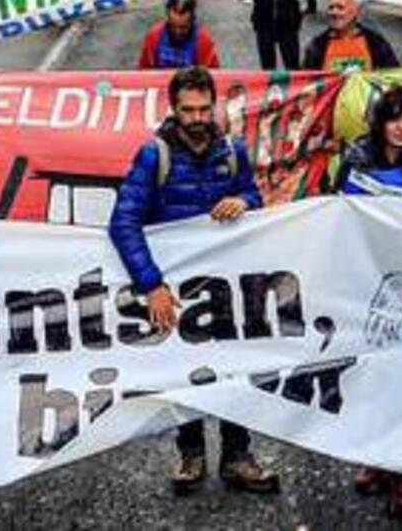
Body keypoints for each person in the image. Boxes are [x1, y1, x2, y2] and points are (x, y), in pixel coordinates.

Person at [105, 67, 278, 496]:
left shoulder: (233, 150)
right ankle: (191, 453)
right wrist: (152, 285)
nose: (198, 117)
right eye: (189, 110)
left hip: (229, 285)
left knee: (237, 371)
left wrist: (244, 200)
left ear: (214, 105)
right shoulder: (154, 155)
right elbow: (123, 222)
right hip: (178, 291)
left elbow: (254, 197)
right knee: (185, 372)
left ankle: (238, 456)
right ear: (174, 108)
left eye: (204, 109)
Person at [332, 85, 402, 517]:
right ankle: (378, 460)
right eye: (394, 117)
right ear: (380, 120)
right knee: (369, 377)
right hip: (360, 284)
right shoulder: (353, 161)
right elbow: (332, 215)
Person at [301, 0, 400, 72]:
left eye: (340, 8)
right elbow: (308, 81)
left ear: (355, 11)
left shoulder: (375, 42)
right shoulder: (318, 45)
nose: (334, 12)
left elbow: (392, 75)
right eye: (331, 8)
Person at [137, 0, 220, 69]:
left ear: (192, 21)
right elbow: (143, 70)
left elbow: (213, 76)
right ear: (167, 19)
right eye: (172, 27)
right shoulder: (154, 36)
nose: (178, 32)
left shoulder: (204, 41)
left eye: (183, 28)